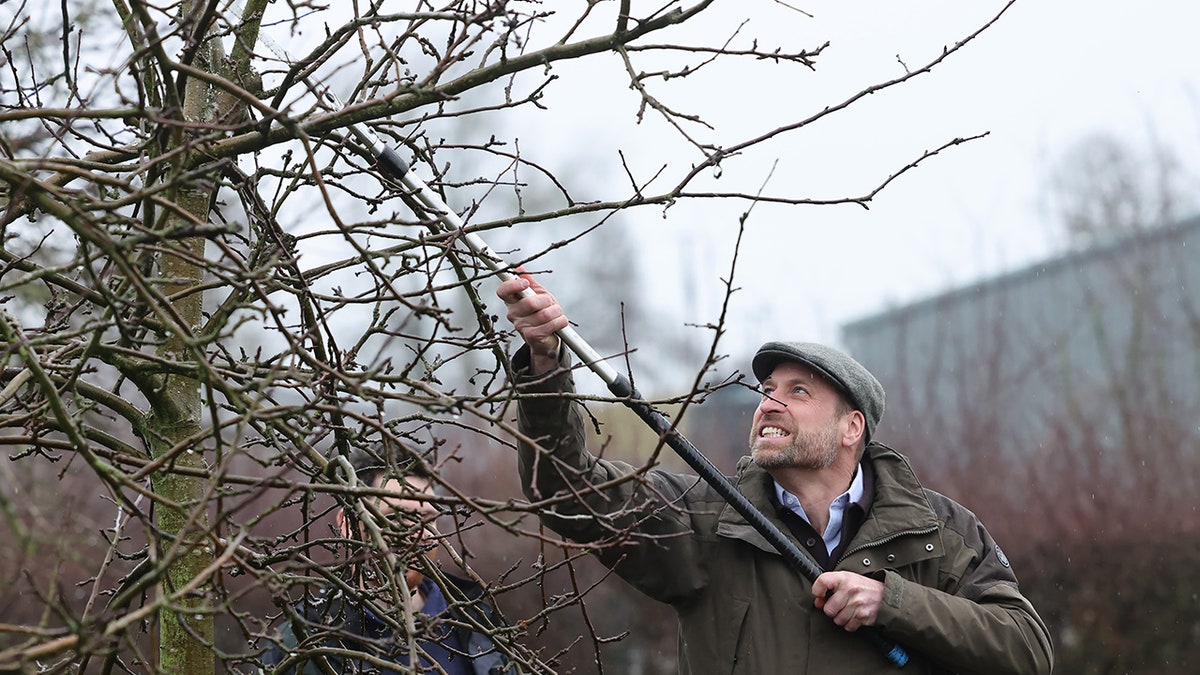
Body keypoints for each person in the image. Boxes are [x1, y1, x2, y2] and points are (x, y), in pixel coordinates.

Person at [496, 273, 1054, 675]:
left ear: (850, 427)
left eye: (799, 392)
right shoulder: (702, 517)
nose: (768, 404)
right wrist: (545, 366)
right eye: (767, 391)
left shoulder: (940, 530)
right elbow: (565, 491)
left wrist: (894, 604)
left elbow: (1027, 650)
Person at [260, 450, 513, 675]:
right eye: (398, 518)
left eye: (427, 519)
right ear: (349, 524)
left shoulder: (478, 621)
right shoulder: (304, 640)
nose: (417, 533)